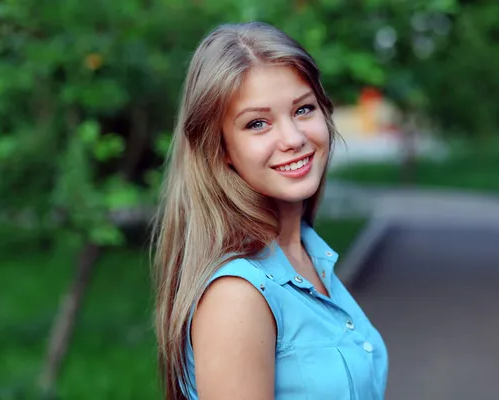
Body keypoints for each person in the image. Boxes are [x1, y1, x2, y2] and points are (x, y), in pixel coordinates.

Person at [151, 21, 388, 400]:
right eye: (258, 123)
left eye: (303, 109)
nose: (293, 139)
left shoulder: (310, 256)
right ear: (221, 149)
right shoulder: (237, 296)